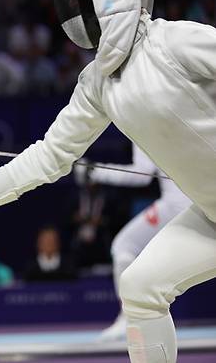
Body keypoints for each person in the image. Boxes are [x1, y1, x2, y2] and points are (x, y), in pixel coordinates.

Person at [0, 0, 216, 363]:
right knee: (140, 287)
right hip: (210, 213)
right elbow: (47, 157)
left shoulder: (176, 41)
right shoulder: (97, 83)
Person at [76, 144, 191, 341]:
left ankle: (129, 318)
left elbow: (142, 174)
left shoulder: (139, 114)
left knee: (123, 246)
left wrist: (94, 172)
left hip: (176, 205)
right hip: (204, 201)